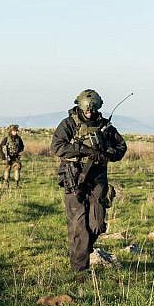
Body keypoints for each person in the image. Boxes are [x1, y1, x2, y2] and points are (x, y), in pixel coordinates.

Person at [51, 89, 127, 273]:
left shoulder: (105, 126)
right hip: (74, 178)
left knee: (97, 224)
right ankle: (80, 269)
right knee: (78, 225)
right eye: (87, 110)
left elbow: (121, 147)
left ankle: (84, 249)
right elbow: (57, 147)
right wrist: (85, 151)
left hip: (98, 178)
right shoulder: (69, 124)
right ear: (80, 106)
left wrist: (108, 152)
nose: (90, 113)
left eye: (93, 110)